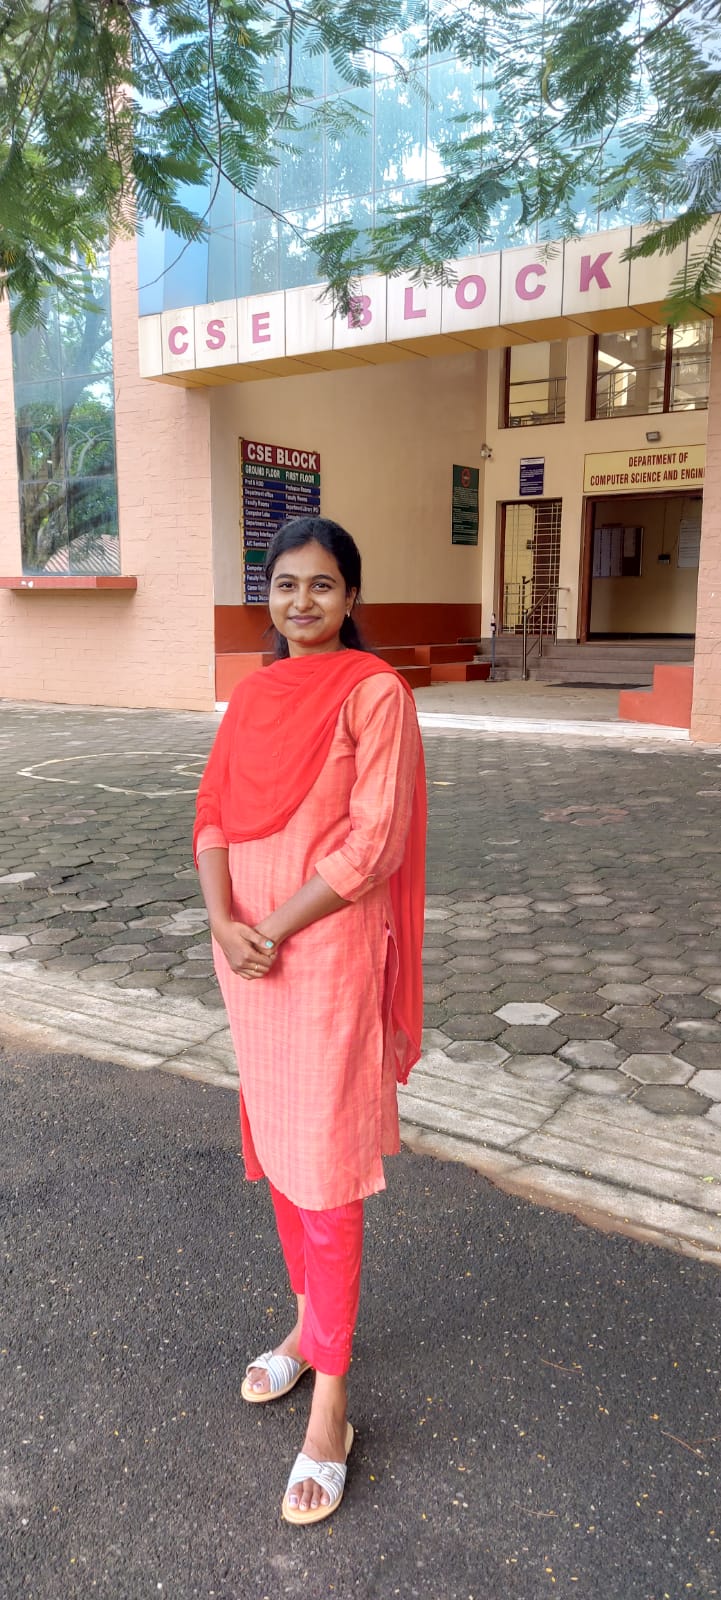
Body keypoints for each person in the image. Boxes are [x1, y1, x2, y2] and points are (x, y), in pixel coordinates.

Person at [193, 515, 426, 1526]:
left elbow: (373, 843)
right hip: (248, 960)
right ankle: (304, 1327)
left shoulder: (374, 693)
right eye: (286, 584)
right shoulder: (253, 694)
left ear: (350, 596)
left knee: (325, 1174)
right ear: (269, 595)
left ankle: (331, 1407)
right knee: (285, 1157)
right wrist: (224, 922)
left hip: (321, 958)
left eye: (322, 585)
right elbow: (210, 813)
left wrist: (273, 926)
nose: (302, 601)